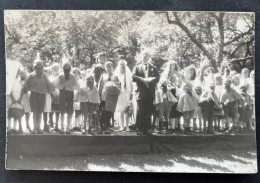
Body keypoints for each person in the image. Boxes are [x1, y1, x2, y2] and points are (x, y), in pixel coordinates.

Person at [23, 58, 55, 134]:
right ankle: (34, 127)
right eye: (37, 67)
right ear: (34, 67)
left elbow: (50, 86)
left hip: (43, 95)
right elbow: (25, 86)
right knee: (35, 112)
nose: (38, 69)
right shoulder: (31, 76)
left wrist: (52, 95)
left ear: (42, 68)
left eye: (40, 67)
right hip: (34, 95)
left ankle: (39, 127)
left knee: (40, 112)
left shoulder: (44, 76)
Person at [132, 50, 159, 135]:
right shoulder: (137, 67)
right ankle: (139, 129)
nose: (145, 56)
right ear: (141, 56)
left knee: (148, 111)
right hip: (141, 92)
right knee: (140, 111)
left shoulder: (153, 68)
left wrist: (150, 80)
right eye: (143, 55)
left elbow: (157, 77)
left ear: (149, 57)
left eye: (147, 55)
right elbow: (133, 77)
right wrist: (142, 80)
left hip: (150, 93)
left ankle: (147, 129)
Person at [53, 62, 80, 134]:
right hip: (62, 93)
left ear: (70, 69)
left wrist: (70, 87)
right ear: (63, 69)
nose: (66, 71)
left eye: (68, 70)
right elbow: (53, 84)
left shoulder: (73, 76)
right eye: (65, 70)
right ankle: (62, 127)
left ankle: (68, 127)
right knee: (62, 110)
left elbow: (77, 86)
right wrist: (60, 87)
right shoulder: (60, 76)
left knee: (69, 111)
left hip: (70, 94)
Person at [98, 61, 120, 134]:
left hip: (111, 97)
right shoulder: (103, 76)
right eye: (107, 67)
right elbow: (100, 86)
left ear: (112, 68)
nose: (108, 68)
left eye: (109, 67)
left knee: (109, 112)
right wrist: (99, 95)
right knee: (103, 111)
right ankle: (101, 127)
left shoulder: (115, 76)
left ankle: (107, 126)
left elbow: (118, 87)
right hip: (104, 96)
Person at [114, 60, 133, 132]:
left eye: (123, 65)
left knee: (127, 110)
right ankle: (122, 126)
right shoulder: (117, 74)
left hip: (127, 93)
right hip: (120, 93)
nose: (122, 66)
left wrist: (131, 93)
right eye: (121, 65)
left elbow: (131, 84)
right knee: (121, 110)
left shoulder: (128, 74)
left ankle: (127, 126)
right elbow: (115, 84)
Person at [49, 63, 60, 131]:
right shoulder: (49, 78)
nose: (55, 70)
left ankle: (57, 125)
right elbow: (49, 88)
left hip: (59, 96)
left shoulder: (61, 77)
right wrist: (53, 97)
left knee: (58, 111)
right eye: (54, 69)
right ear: (51, 70)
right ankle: (51, 124)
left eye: (57, 68)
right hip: (51, 96)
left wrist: (58, 97)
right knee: (51, 111)